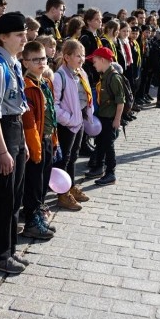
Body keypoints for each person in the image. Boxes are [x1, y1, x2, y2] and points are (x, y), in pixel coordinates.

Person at [0, 12, 29, 274]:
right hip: (2, 130)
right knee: (3, 197)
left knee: (14, 197)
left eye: (24, 33)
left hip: (15, 128)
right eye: (19, 34)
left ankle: (10, 249)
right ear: (2, 37)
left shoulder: (13, 62)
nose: (24, 38)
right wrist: (2, 150)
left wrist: (21, 142)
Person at [20, 40, 58, 238]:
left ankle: (39, 214)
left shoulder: (46, 81)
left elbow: (51, 112)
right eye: (35, 60)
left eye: (43, 58)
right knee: (34, 184)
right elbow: (29, 122)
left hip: (47, 138)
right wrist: (35, 149)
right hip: (36, 142)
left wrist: (54, 138)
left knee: (43, 181)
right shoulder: (27, 87)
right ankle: (31, 222)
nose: (41, 63)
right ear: (25, 63)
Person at [52, 39, 93, 212]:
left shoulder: (80, 72)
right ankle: (63, 194)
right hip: (68, 124)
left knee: (74, 156)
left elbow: (86, 94)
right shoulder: (60, 76)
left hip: (79, 121)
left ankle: (71, 185)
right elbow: (54, 105)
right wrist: (69, 119)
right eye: (78, 55)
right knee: (65, 158)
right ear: (66, 56)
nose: (82, 58)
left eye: (83, 55)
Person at [85, 47, 125, 186]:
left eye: (95, 61)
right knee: (100, 144)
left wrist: (117, 120)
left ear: (102, 60)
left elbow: (120, 101)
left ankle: (110, 173)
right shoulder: (104, 75)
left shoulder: (114, 77)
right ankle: (99, 168)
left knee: (109, 146)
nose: (93, 64)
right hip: (102, 117)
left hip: (110, 119)